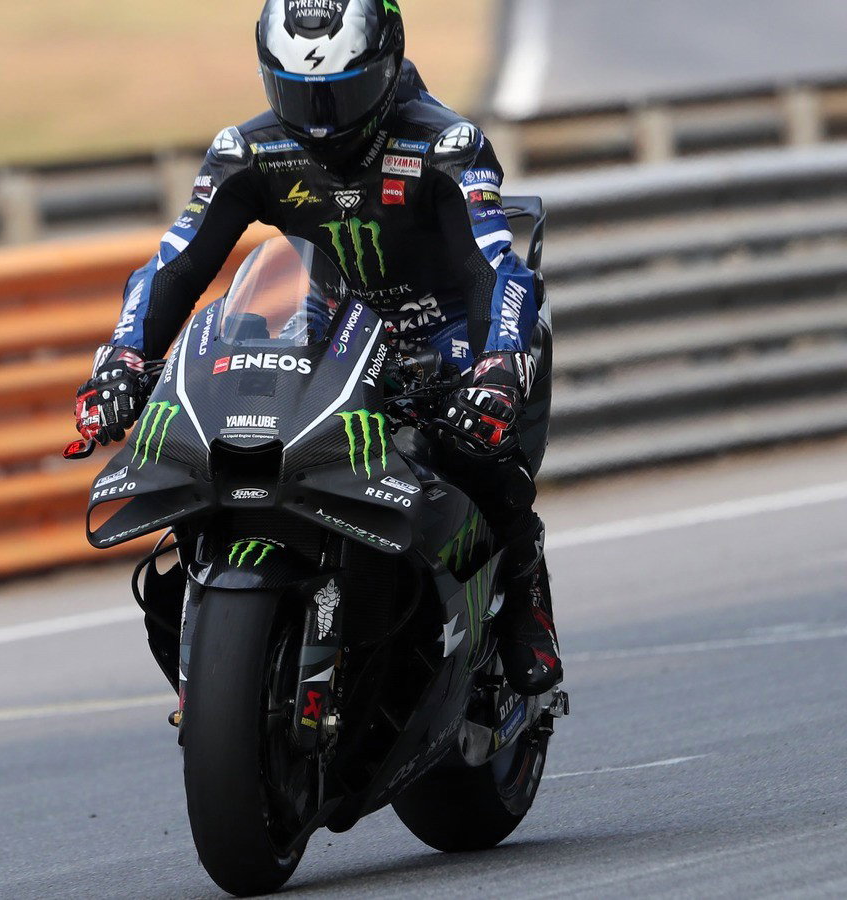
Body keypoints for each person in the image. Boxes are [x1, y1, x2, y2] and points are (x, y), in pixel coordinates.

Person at [73, 0, 560, 694]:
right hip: (332, 334)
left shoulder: (447, 144)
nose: (324, 116)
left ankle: (521, 589)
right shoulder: (246, 150)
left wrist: (497, 363)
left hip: (447, 336)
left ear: (388, 64)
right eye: (301, 93)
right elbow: (176, 264)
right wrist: (122, 357)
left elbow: (494, 265)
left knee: (478, 446)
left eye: (343, 90)